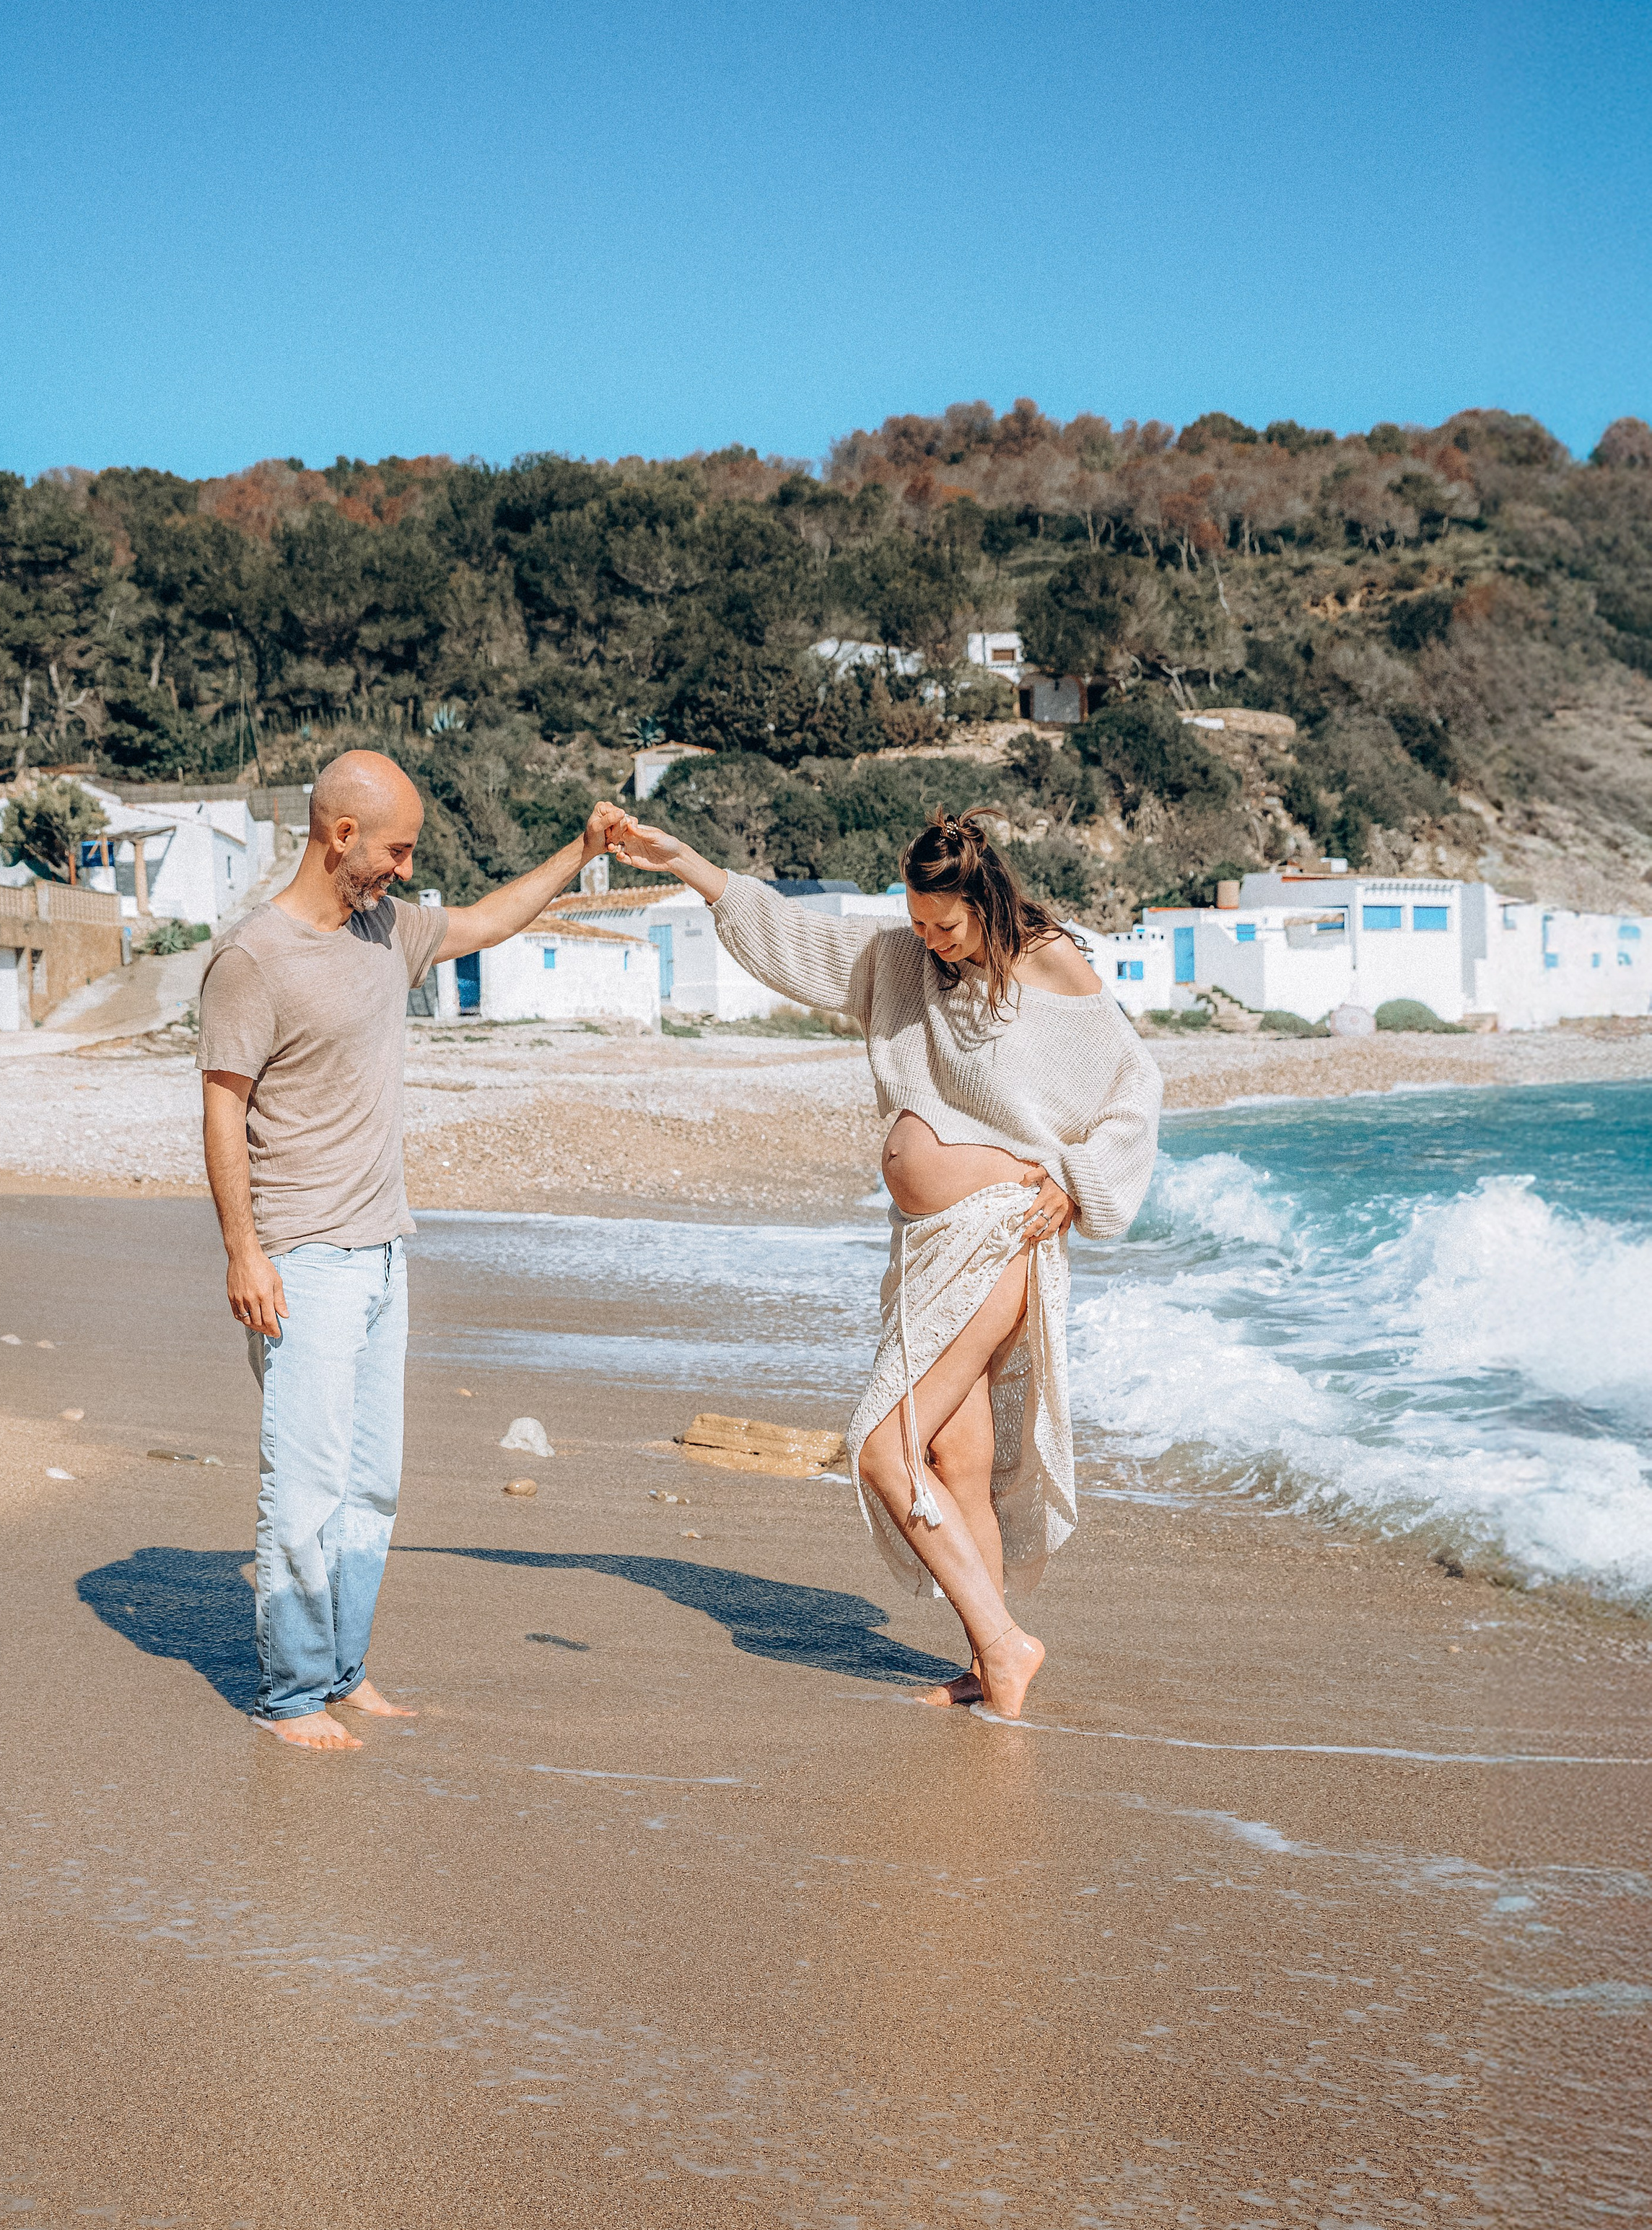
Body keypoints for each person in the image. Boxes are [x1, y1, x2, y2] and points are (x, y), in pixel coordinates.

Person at [606, 806, 1161, 1721]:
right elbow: (801, 945)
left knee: (882, 1446)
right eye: (915, 920)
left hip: (995, 1235)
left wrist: (1076, 1176)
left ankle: (1005, 1644)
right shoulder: (906, 960)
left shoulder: (1050, 964)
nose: (930, 940)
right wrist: (689, 865)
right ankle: (988, 1662)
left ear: (986, 899)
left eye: (946, 923)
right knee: (954, 1454)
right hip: (929, 1246)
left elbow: (1134, 1085)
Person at [198, 749, 629, 1750]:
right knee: (302, 1486)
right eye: (395, 848)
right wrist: (242, 1251)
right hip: (300, 1257)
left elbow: (488, 919)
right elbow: (225, 1107)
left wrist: (581, 848)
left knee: (371, 1482)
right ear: (339, 834)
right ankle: (292, 1693)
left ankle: (343, 1668)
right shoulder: (253, 957)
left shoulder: (390, 931)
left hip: (384, 1252)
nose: (404, 868)